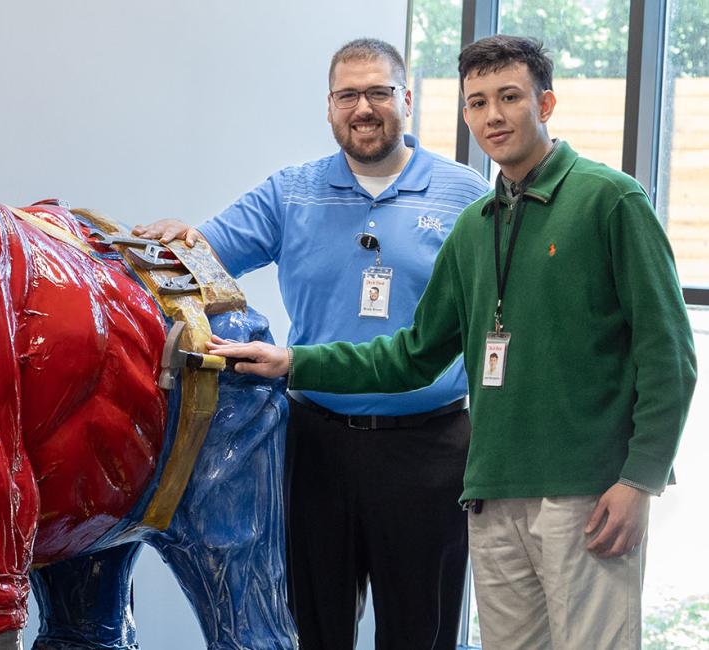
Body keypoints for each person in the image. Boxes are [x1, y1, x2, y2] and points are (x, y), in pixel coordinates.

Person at [209, 35, 697, 649]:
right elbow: (415, 353)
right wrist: (292, 362)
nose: (493, 116)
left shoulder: (609, 200)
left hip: (577, 489)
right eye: (477, 102)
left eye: (510, 97)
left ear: (545, 105)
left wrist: (641, 478)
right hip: (489, 488)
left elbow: (669, 351)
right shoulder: (479, 222)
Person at [134, 38, 489, 649]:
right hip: (314, 444)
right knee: (313, 627)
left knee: (422, 632)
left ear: (406, 99)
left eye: (379, 92)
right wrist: (171, 245)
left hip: (430, 449)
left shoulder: (465, 195)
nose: (364, 108)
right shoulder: (290, 192)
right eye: (348, 95)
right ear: (329, 107)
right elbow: (203, 258)